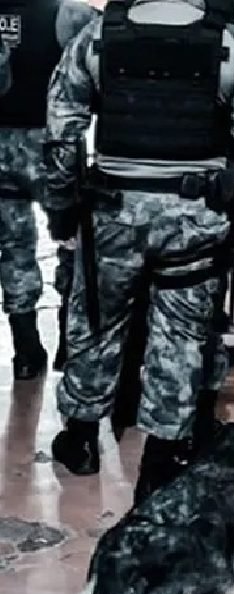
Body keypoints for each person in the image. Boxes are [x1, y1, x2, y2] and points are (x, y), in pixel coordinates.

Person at [43, 0, 234, 504]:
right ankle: (162, 456)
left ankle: (81, 438)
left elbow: (62, 132)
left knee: (97, 321)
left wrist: (62, 204)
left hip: (113, 212)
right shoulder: (229, 41)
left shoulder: (99, 36)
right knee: (181, 334)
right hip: (193, 216)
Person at [0, 0, 97, 380]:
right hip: (52, 144)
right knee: (72, 242)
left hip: (1, 147)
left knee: (13, 248)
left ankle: (26, 351)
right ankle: (69, 348)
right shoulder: (68, 14)